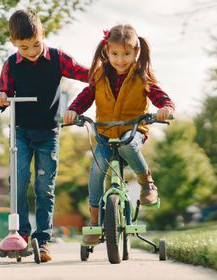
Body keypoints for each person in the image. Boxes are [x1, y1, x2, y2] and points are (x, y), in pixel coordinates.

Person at [63, 24, 175, 245]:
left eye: (126, 54)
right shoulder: (100, 75)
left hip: (133, 131)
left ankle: (147, 184)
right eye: (114, 54)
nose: (120, 60)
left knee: (127, 145)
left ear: (136, 53)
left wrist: (166, 109)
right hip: (104, 133)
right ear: (107, 51)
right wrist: (73, 110)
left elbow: (161, 97)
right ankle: (94, 220)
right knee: (96, 171)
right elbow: (86, 96)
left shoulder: (142, 76)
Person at [0, 9, 88, 262]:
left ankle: (43, 240)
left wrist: (109, 72)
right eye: (24, 47)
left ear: (42, 34)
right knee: (19, 182)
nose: (32, 52)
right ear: (13, 42)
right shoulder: (11, 64)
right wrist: (1, 98)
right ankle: (20, 235)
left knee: (45, 188)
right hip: (21, 132)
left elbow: (86, 74)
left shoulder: (57, 58)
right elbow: (4, 95)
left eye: (36, 45)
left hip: (48, 133)